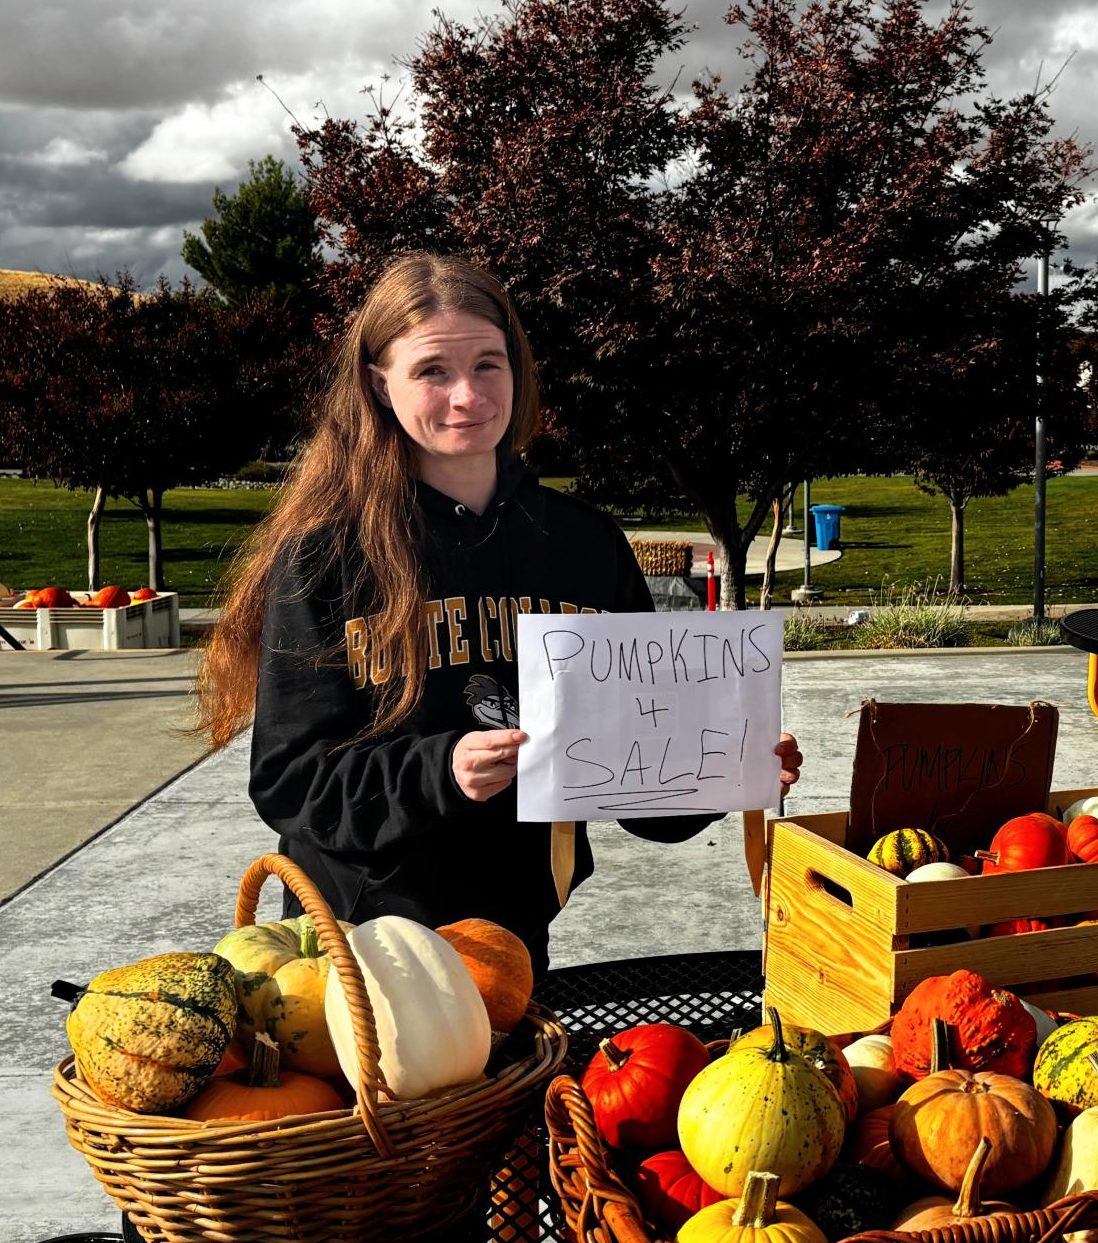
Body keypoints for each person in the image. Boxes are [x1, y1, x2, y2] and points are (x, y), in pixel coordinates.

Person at [196, 253, 803, 973]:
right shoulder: (329, 555)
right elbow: (291, 780)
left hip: (514, 932)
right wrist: (439, 768)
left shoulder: (583, 544)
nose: (467, 396)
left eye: (488, 364)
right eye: (432, 372)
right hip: (363, 941)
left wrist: (725, 766)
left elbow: (641, 780)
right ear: (377, 384)